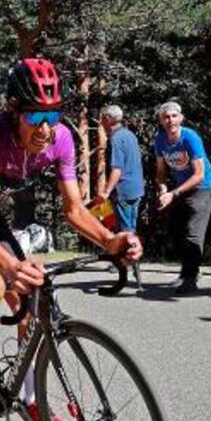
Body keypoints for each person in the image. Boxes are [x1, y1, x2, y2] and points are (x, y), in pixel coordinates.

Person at [0, 58, 142, 421]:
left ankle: (30, 400)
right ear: (14, 112)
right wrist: (9, 268)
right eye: (34, 117)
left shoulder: (60, 139)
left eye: (53, 114)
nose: (45, 128)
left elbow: (74, 209)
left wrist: (110, 240)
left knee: (31, 302)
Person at [152, 101, 211, 295]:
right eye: (166, 117)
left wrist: (173, 193)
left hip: (202, 187)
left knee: (193, 233)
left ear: (181, 118)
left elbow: (199, 175)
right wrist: (163, 189)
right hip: (180, 188)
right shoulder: (160, 139)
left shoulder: (190, 137)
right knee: (175, 230)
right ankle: (186, 271)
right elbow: (161, 171)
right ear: (161, 121)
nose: (170, 120)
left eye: (174, 116)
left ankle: (190, 278)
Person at [95, 105, 144, 293]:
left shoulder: (115, 139)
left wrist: (106, 191)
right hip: (136, 188)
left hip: (123, 189)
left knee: (125, 231)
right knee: (131, 228)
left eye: (102, 118)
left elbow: (117, 169)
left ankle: (126, 265)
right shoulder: (130, 135)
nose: (101, 122)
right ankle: (130, 265)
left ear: (108, 119)